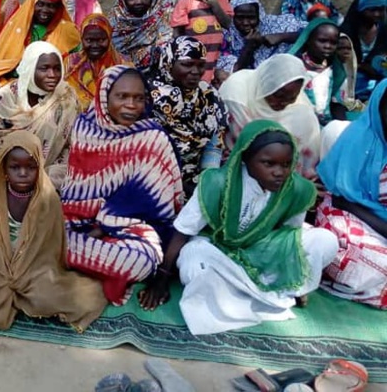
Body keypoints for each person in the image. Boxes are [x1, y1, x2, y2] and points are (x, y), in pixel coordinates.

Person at [139, 120, 339, 335]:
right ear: (245, 159)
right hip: (218, 251)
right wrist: (162, 278)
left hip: (263, 254)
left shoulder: (297, 189)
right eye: (268, 163)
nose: (279, 172)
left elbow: (289, 235)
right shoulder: (216, 183)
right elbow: (183, 231)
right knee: (193, 258)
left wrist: (292, 270)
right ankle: (272, 295)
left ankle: (283, 287)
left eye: (286, 164)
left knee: (325, 240)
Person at [0, 130, 107, 330]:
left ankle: (20, 293)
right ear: (4, 168)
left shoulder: (47, 198)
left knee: (53, 295)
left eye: (30, 167)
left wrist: (22, 272)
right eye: (15, 167)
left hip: (36, 266)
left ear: (39, 166)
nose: (23, 174)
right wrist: (4, 267)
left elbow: (49, 248)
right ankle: (12, 292)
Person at [61, 66, 184, 305]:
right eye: (122, 96)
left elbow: (159, 207)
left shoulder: (152, 138)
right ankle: (75, 258)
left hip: (129, 230)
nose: (131, 105)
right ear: (105, 96)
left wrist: (104, 225)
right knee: (45, 237)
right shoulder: (83, 128)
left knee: (142, 261)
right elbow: (70, 185)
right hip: (76, 222)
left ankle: (73, 261)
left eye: (139, 98)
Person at [315, 79, 387, 309]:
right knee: (352, 254)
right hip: (347, 216)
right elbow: (342, 198)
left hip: (381, 223)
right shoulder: (357, 139)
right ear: (378, 106)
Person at [0, 42, 79, 189]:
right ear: (30, 68)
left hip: (51, 175)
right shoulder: (4, 100)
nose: (52, 75)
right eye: (44, 68)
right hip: (11, 173)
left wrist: (44, 175)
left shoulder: (66, 97)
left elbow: (71, 143)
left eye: (57, 68)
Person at [220, 54, 321, 183]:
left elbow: (308, 144)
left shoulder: (300, 106)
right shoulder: (237, 93)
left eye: (291, 98)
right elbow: (248, 144)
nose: (283, 103)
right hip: (238, 164)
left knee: (304, 117)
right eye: (278, 95)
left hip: (280, 174)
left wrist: (301, 184)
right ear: (267, 84)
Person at [149, 37, 228, 200]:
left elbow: (215, 143)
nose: (196, 72)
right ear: (169, 63)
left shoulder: (208, 95)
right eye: (187, 64)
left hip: (196, 178)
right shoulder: (148, 97)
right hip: (153, 178)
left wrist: (208, 180)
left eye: (201, 65)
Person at [0, 0, 80, 96]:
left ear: (58, 8)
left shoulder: (68, 32)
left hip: (51, 91)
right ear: (33, 3)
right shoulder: (18, 26)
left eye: (51, 6)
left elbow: (77, 65)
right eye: (41, 4)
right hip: (12, 86)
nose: (45, 10)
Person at [170, 0, 233, 84]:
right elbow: (178, 33)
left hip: (217, 55)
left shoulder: (220, 0)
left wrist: (215, 5)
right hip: (194, 58)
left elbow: (228, 24)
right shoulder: (185, 3)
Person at [215, 0, 304, 79]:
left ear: (260, 16)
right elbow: (234, 72)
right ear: (232, 17)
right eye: (240, 18)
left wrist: (281, 37)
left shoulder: (273, 25)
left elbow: (311, 32)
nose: (245, 23)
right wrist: (248, 47)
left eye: (251, 18)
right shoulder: (226, 37)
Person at [106, 0, 174, 71]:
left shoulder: (161, 12)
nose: (139, 1)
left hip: (158, 70)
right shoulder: (114, 20)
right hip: (122, 73)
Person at [289, 18, 347, 126]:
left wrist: (340, 127)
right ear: (308, 40)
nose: (328, 46)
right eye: (322, 40)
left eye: (333, 43)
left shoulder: (334, 70)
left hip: (326, 122)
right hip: (297, 123)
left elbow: (336, 103)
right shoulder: (294, 67)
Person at [65, 13, 126, 110]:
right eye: (89, 40)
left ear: (109, 38)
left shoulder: (123, 65)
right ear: (82, 38)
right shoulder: (70, 63)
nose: (95, 45)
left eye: (101, 40)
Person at [340, 0, 387, 103]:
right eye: (371, 10)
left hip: (378, 80)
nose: (376, 14)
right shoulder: (347, 32)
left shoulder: (384, 30)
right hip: (351, 80)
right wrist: (362, 67)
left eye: (380, 9)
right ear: (361, 9)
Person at [336, 33, 365, 115]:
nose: (346, 52)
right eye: (340, 48)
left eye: (348, 48)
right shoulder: (331, 73)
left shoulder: (349, 70)